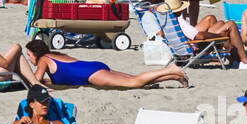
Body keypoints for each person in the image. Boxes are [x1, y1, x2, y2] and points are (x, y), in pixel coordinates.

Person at [23, 38, 188, 90]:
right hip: (94, 67)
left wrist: (28, 78)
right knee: (137, 81)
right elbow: (64, 77)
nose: (29, 59)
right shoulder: (55, 56)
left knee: (135, 82)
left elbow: (35, 80)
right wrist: (48, 82)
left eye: (29, 55)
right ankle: (173, 76)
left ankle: (169, 69)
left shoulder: (44, 59)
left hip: (93, 75)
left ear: (36, 53)